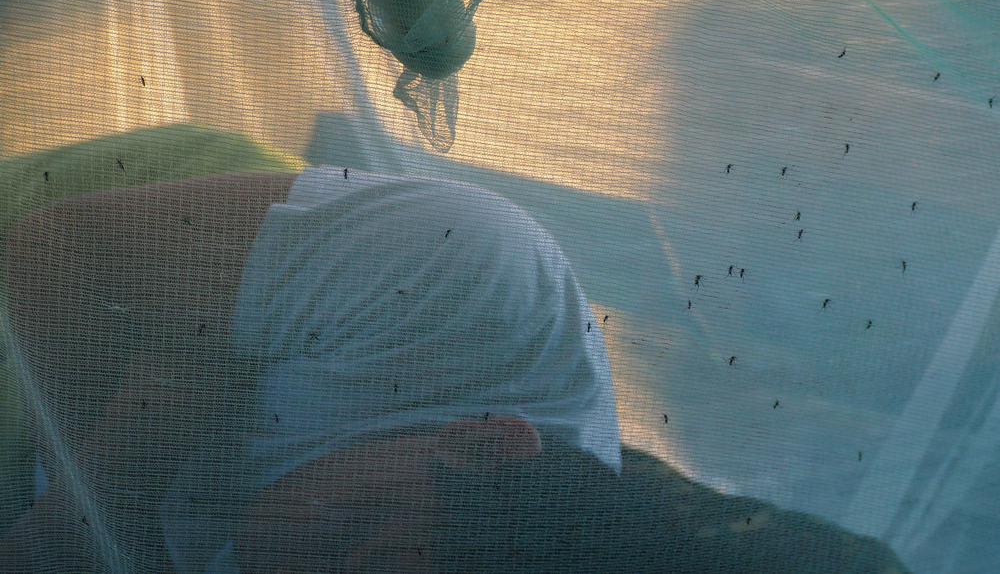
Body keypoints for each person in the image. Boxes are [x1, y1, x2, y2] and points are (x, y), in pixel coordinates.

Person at [0, 167, 910, 572]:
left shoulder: (456, 528)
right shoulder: (468, 278)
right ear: (479, 440)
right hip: (165, 236)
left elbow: (189, 368)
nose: (289, 560)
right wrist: (96, 526)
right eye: (359, 521)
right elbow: (49, 251)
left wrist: (188, 380)